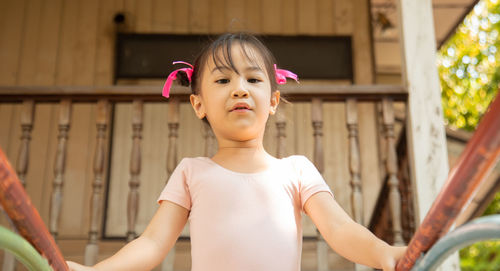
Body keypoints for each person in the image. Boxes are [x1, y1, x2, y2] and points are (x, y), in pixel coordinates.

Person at [67, 32, 406, 271]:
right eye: (223, 81)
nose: (240, 89)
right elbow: (153, 243)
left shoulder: (297, 171)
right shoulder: (191, 171)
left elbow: (340, 229)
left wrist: (384, 253)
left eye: (254, 80)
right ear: (198, 104)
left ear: (273, 101)